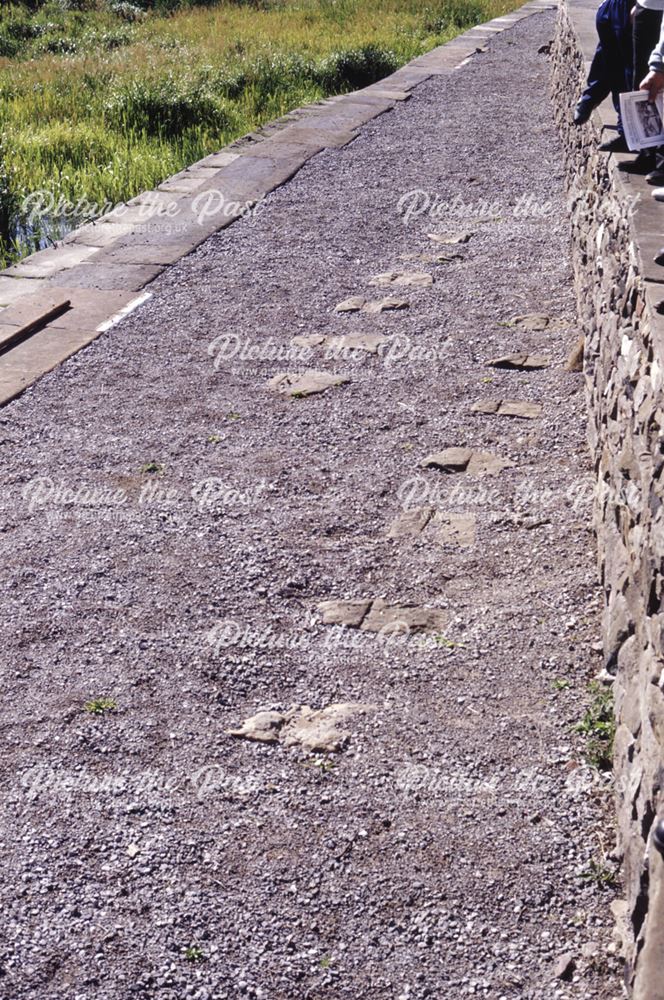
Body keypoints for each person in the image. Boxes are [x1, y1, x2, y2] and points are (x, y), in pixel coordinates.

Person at [573, 0, 633, 151]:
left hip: (635, 7)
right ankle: (590, 98)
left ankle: (629, 134)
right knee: (608, 58)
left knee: (626, 72)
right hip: (614, 6)